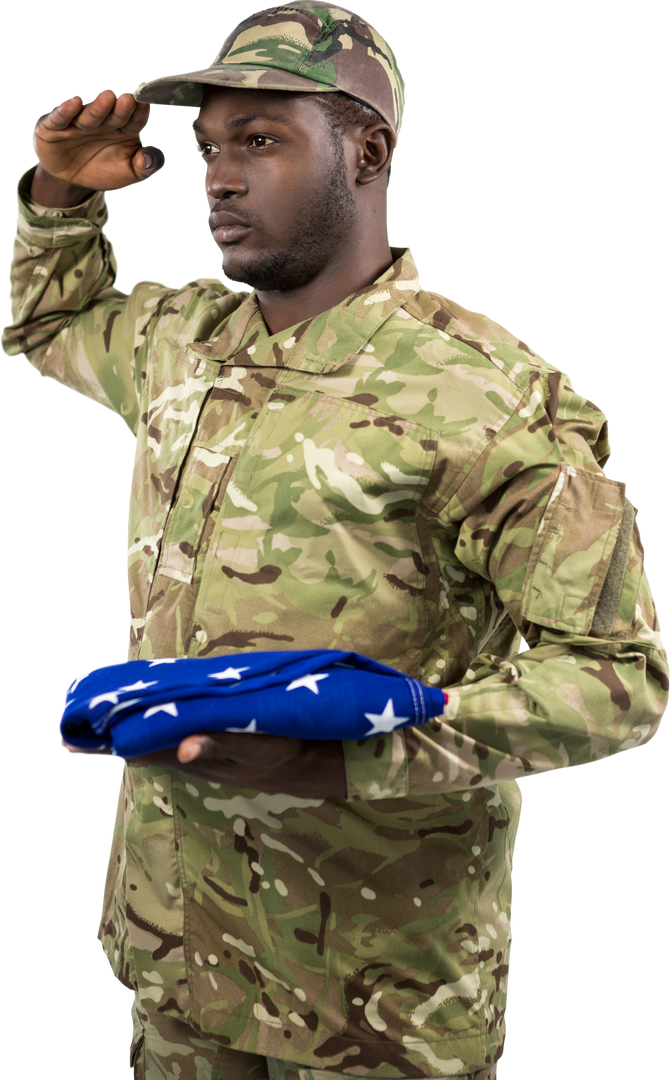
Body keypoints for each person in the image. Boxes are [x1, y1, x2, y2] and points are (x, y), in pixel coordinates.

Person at [2, 3, 667, 1079]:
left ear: (366, 149)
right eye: (211, 147)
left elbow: (619, 681)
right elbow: (46, 324)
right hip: (178, 961)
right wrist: (64, 195)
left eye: (260, 141)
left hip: (375, 1003)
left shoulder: (482, 396)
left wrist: (353, 757)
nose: (219, 178)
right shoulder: (186, 342)